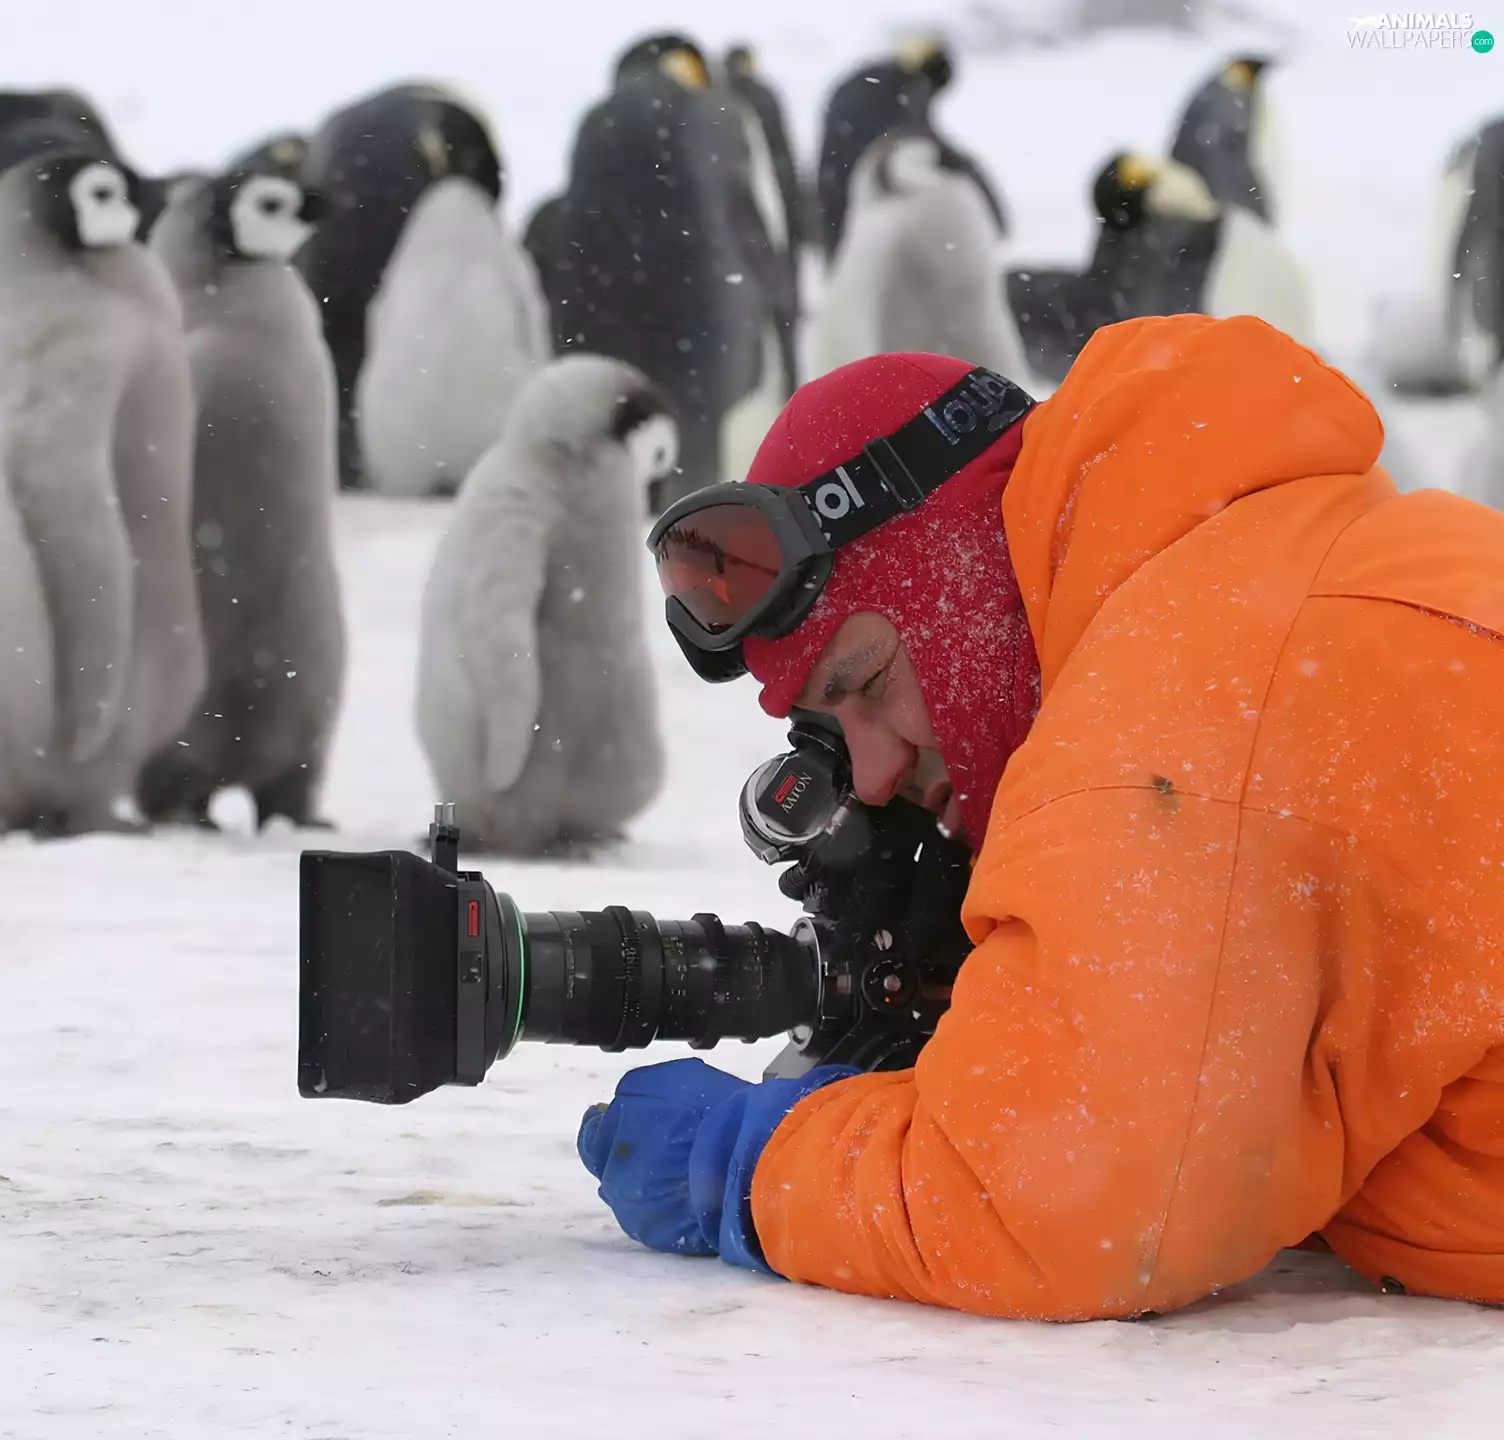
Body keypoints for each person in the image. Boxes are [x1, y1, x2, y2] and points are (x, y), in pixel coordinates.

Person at [577, 312, 1504, 1319]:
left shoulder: (1185, 694)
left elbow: (1060, 1204)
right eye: (830, 730)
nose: (876, 772)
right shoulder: (1264, 566)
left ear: (957, 571)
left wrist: (752, 1166)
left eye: (871, 682)